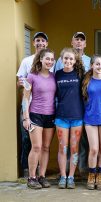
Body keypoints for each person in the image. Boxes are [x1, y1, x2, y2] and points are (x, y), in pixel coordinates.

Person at [54, 32, 91, 177]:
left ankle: (80, 170)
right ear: (72, 41)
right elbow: (55, 86)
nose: (79, 42)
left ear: (85, 43)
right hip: (63, 111)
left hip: (80, 110)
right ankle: (66, 171)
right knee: (65, 146)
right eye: (77, 39)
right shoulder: (59, 65)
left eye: (82, 40)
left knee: (80, 143)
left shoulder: (88, 62)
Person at [22, 49, 56, 189]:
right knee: (36, 147)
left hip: (50, 115)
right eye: (47, 59)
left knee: (46, 147)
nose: (49, 61)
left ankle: (42, 176)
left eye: (51, 59)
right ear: (41, 59)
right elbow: (25, 97)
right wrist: (25, 118)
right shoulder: (31, 76)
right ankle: (31, 178)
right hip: (35, 114)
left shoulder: (54, 76)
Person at [17, 32, 49, 178]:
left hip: (46, 110)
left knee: (43, 145)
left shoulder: (50, 62)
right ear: (33, 43)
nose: (40, 43)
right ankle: (27, 172)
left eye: (43, 41)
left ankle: (40, 173)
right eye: (37, 40)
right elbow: (19, 81)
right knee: (27, 140)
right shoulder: (26, 61)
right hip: (28, 107)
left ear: (47, 44)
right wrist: (25, 84)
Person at [55, 48, 85, 189]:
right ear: (61, 59)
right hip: (61, 116)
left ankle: (71, 177)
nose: (68, 61)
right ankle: (63, 176)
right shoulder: (57, 74)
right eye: (66, 58)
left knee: (74, 148)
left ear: (75, 60)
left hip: (77, 116)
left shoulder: (80, 74)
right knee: (63, 148)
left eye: (71, 59)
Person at [82, 55, 101, 190]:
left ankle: (100, 176)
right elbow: (83, 98)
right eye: (97, 64)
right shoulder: (86, 80)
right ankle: (92, 175)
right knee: (94, 149)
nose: (100, 66)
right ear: (92, 66)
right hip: (90, 118)